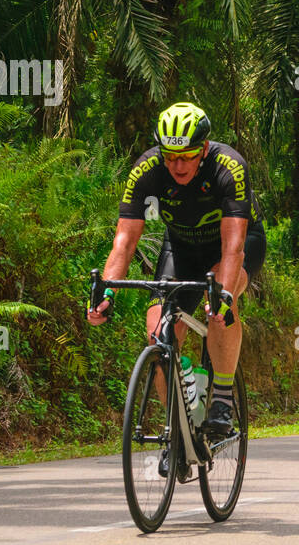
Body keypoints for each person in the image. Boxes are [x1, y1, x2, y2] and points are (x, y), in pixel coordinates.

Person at [87, 102, 265, 440]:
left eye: (185, 156)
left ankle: (223, 400)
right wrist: (106, 290)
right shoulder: (147, 169)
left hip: (233, 246)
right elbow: (124, 241)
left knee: (222, 305)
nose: (177, 165)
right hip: (182, 245)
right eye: (169, 156)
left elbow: (233, 249)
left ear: (204, 149)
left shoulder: (229, 167)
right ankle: (180, 429)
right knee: (158, 331)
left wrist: (222, 297)